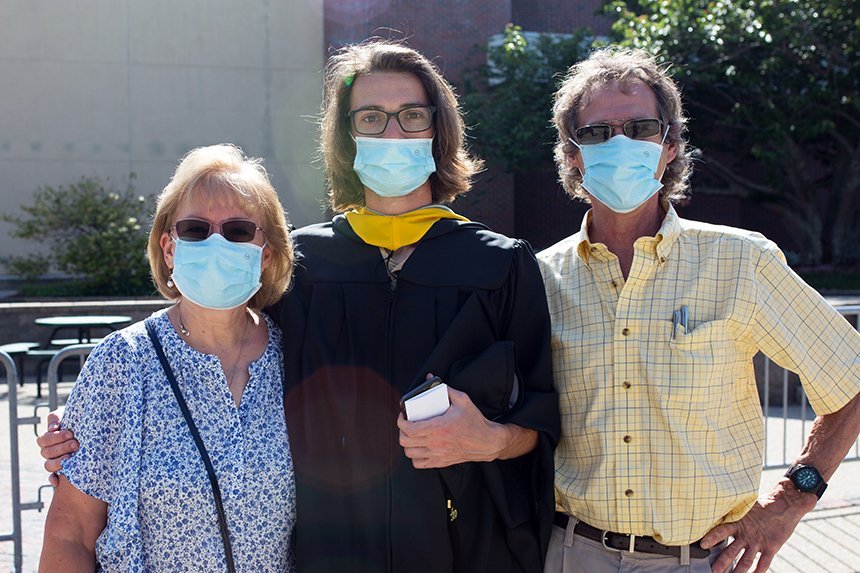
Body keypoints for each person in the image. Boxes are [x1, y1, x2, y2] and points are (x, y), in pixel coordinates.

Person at [39, 41, 560, 573]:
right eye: (372, 118)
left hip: (463, 553)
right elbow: (215, 328)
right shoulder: (306, 267)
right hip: (331, 557)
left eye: (412, 115)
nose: (394, 133)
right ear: (347, 139)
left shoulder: (500, 266)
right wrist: (85, 437)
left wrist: (493, 440)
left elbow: (544, 417)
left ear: (437, 130)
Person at [538, 46, 860, 573]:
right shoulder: (541, 278)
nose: (620, 145)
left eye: (640, 128)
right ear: (572, 154)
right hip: (568, 553)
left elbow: (850, 380)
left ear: (669, 146)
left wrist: (788, 503)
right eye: (597, 133)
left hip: (701, 561)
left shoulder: (742, 261)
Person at [39, 144, 297, 572]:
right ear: (169, 247)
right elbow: (71, 534)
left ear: (266, 254)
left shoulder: (295, 358)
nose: (217, 244)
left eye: (237, 231)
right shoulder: (123, 362)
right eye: (195, 229)